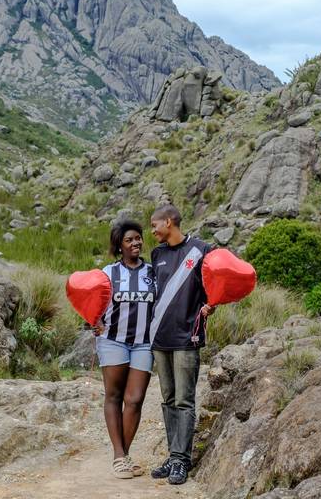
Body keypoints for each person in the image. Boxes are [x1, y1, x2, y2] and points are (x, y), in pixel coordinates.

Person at [148, 203, 213, 486]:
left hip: (187, 337)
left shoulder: (201, 250)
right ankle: (173, 455)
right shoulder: (157, 254)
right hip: (159, 338)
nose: (152, 231)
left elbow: (215, 287)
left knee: (185, 400)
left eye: (155, 225)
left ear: (170, 222)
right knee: (168, 399)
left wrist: (212, 306)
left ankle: (181, 460)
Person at [91, 219, 155, 479]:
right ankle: (120, 456)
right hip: (113, 340)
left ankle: (123, 456)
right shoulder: (108, 273)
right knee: (114, 396)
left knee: (135, 399)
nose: (135, 243)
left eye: (138, 238)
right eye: (129, 240)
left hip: (144, 342)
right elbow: (92, 299)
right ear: (119, 246)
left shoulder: (153, 272)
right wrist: (93, 321)